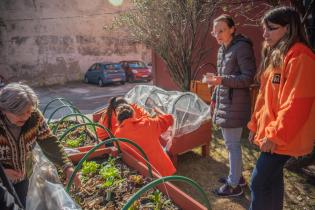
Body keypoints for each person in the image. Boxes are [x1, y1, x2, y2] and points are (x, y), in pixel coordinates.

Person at [247, 6, 315, 210]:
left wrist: (275, 135)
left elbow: (297, 104)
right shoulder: (278, 54)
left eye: (271, 28)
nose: (265, 34)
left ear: (288, 28)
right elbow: (264, 98)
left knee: (258, 183)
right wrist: (254, 126)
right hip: (275, 135)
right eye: (264, 29)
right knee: (272, 181)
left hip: (283, 137)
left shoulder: (300, 57)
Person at [0, 83, 81, 208]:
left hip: (23, 177)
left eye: (29, 111)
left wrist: (67, 166)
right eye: (21, 113)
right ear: (4, 110)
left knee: (22, 204)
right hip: (1, 184)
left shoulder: (34, 117)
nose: (26, 116)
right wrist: (3, 173)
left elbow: (48, 140)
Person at [205, 14, 256, 197]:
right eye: (215, 31)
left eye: (222, 30)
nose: (217, 34)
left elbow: (248, 77)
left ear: (232, 29)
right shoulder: (222, 50)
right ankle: (238, 178)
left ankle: (234, 186)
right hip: (225, 102)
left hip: (236, 104)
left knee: (232, 145)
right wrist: (214, 98)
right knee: (229, 143)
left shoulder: (241, 47)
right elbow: (223, 80)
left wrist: (222, 80)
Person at [114, 104, 176, 176]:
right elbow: (168, 119)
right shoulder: (147, 123)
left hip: (141, 173)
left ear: (118, 119)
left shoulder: (117, 134)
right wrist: (160, 113)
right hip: (161, 168)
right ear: (133, 114)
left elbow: (119, 151)